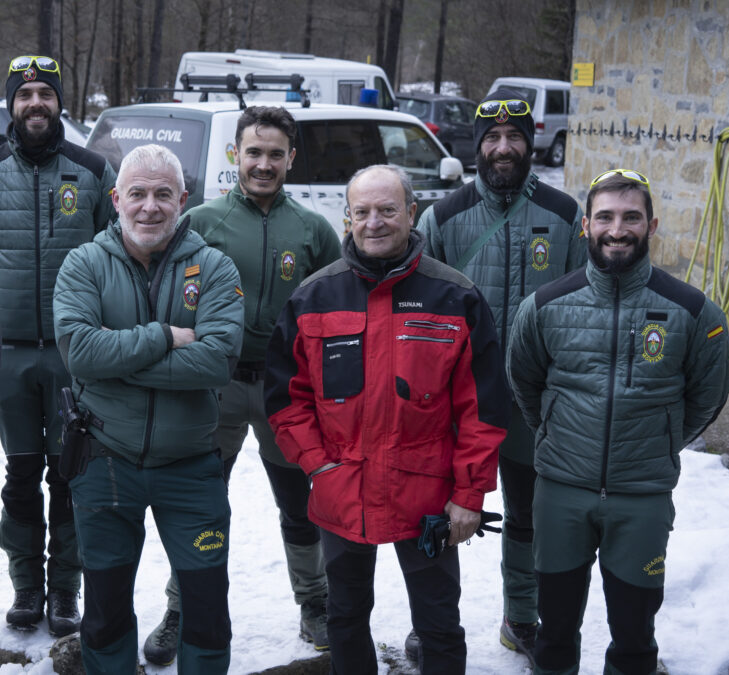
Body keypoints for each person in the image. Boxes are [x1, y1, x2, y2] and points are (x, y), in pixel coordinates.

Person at [265, 164, 510, 674]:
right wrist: (319, 468)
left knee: (439, 620)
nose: (374, 222)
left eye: (388, 210)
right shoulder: (313, 297)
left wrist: (468, 496)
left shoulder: (455, 296)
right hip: (341, 488)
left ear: (411, 213)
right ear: (347, 218)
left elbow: (482, 409)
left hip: (428, 497)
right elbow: (288, 401)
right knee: (346, 615)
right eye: (363, 212)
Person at [507, 169, 729, 675]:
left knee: (634, 637)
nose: (617, 228)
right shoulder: (543, 307)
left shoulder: (694, 312)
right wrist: (556, 432)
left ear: (652, 225)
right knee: (556, 631)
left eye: (631, 217)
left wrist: (657, 440)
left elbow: (707, 397)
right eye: (605, 216)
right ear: (585, 225)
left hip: (642, 498)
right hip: (562, 491)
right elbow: (525, 383)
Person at [141, 105, 342, 665]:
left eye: (275, 154)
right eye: (253, 152)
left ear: (291, 159)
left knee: (300, 507)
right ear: (235, 155)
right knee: (200, 505)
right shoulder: (202, 222)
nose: (263, 164)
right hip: (216, 388)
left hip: (287, 393)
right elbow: (162, 290)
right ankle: (181, 606)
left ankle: (316, 602)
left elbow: (340, 307)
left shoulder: (313, 229)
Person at [53, 144, 244, 673]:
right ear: (116, 199)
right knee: (106, 609)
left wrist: (114, 356)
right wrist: (165, 336)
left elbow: (217, 361)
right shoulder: (84, 264)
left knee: (206, 607)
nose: (149, 207)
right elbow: (79, 352)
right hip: (105, 462)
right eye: (136, 193)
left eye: (163, 194)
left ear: (183, 199)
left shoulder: (214, 267)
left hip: (191, 466)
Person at [0, 54, 116, 635]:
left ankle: (66, 588)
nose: (35, 103)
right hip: (10, 356)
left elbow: (116, 257)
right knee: (20, 478)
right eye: (25, 95)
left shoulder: (93, 171)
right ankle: (25, 586)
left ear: (60, 102)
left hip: (77, 355)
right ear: (10, 105)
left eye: (45, 93)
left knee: (71, 475)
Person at [416, 87, 587, 662]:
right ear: (477, 146)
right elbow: (417, 310)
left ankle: (521, 616)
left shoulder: (566, 217)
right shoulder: (442, 217)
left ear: (531, 142)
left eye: (515, 135)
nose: (504, 147)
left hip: (534, 403)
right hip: (454, 401)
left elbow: (588, 303)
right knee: (438, 513)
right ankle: (434, 621)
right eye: (493, 137)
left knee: (527, 516)